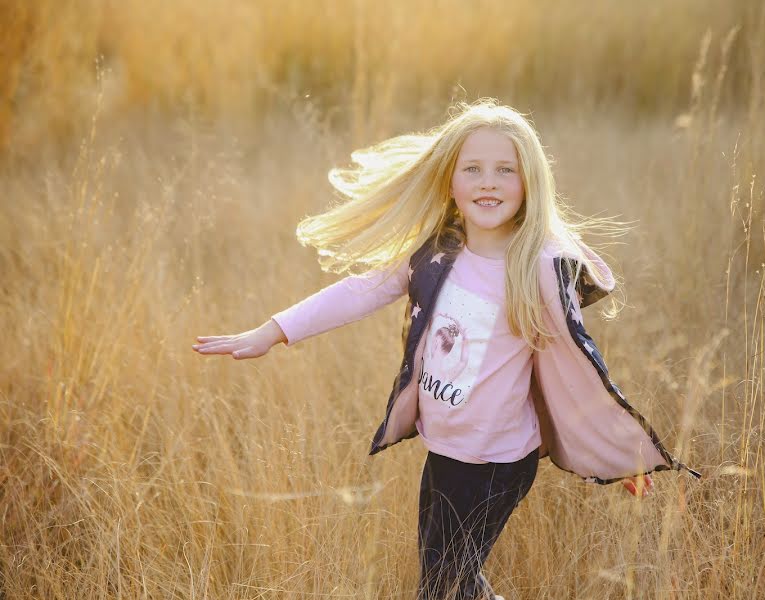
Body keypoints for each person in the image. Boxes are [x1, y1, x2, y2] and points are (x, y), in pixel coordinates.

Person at [192, 98, 701, 600]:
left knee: (440, 588)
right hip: (446, 450)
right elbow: (360, 290)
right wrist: (273, 331)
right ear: (451, 181)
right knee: (457, 580)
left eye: (506, 169)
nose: (488, 181)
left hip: (497, 461)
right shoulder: (440, 252)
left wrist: (620, 453)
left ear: (529, 183)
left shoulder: (537, 266)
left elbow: (581, 364)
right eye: (473, 168)